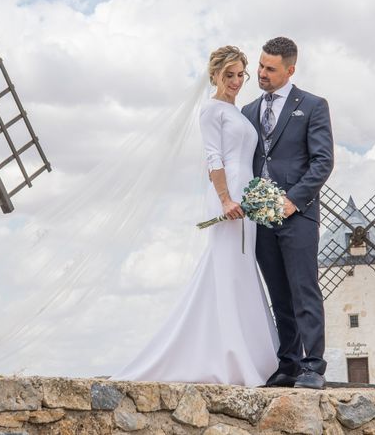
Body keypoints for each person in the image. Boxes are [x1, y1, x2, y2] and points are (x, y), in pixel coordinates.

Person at [112, 45, 278, 385]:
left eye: (239, 75)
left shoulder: (238, 112)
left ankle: (245, 353)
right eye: (228, 75)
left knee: (238, 271)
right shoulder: (211, 110)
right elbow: (213, 158)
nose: (235, 82)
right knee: (228, 268)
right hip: (228, 194)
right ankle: (232, 357)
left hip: (247, 196)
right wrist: (224, 198)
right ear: (214, 75)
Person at [242, 37, 334, 389]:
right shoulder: (248, 111)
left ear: (290, 70)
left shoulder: (312, 106)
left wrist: (293, 200)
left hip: (298, 215)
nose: (261, 73)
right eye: (261, 66)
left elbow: (323, 160)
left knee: (303, 290)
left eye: (270, 69)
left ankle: (313, 366)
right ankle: (289, 364)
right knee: (278, 293)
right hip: (261, 219)